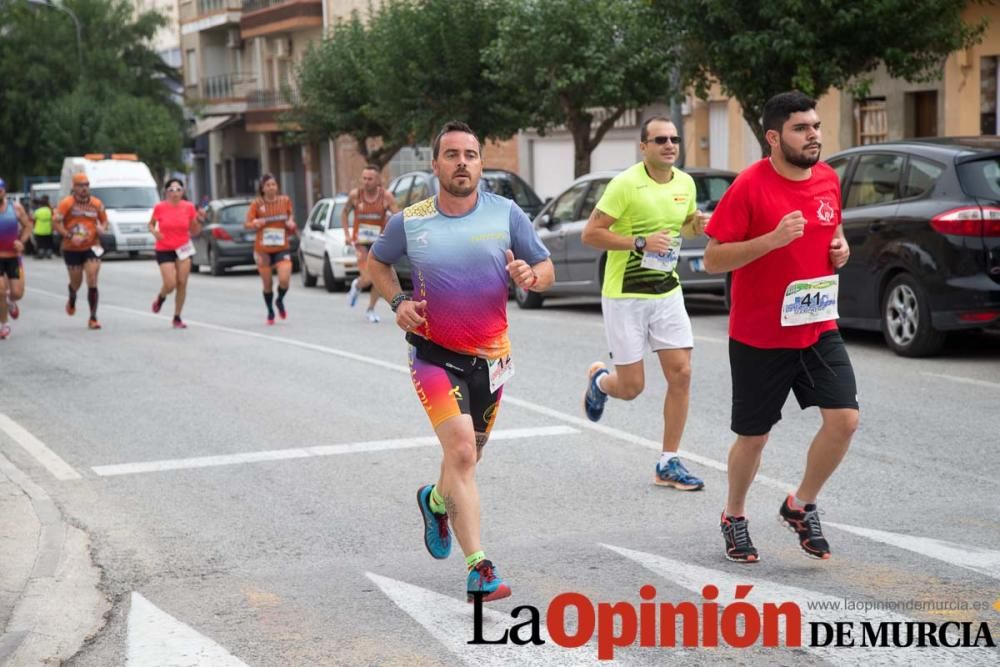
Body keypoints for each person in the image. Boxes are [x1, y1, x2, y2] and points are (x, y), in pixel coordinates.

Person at [368, 121, 554, 603]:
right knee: (463, 453)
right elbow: (377, 263)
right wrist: (397, 303)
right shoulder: (411, 220)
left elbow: (546, 269)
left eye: (470, 154)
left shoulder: (507, 213)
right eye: (452, 155)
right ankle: (480, 569)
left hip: (491, 360)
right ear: (435, 165)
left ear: (481, 163)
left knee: (466, 460)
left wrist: (530, 275)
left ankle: (434, 501)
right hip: (433, 354)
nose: (462, 163)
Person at [703, 91, 858, 563]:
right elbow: (712, 259)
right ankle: (734, 515)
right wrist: (770, 240)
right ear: (773, 137)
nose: (813, 135)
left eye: (814, 126)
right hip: (759, 334)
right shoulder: (750, 186)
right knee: (754, 436)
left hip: (816, 325)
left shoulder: (829, 179)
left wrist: (841, 248)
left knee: (845, 419)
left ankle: (800, 504)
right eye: (800, 128)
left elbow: (833, 231)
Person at [580, 116, 707, 492]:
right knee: (633, 386)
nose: (669, 145)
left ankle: (668, 462)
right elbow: (591, 234)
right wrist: (639, 242)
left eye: (674, 139)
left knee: (681, 373)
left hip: (667, 291)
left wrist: (694, 226)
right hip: (626, 296)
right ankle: (601, 382)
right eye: (660, 140)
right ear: (644, 146)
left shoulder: (685, 183)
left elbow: (681, 226)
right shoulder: (625, 185)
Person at [343, 165, 399, 322]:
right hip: (360, 243)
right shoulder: (355, 195)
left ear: (378, 180)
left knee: (379, 278)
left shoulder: (386, 197)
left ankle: (371, 309)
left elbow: (398, 217)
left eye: (370, 179)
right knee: (368, 277)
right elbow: (344, 213)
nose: (366, 182)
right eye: (364, 178)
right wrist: (347, 234)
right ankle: (357, 285)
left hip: (379, 243)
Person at [53, 172, 108, 330]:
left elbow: (105, 222)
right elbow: (56, 223)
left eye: (86, 185)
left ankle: (93, 318)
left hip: (92, 245)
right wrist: (70, 236)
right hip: (72, 248)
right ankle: (72, 296)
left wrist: (102, 228)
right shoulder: (66, 203)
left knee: (92, 278)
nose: (84, 188)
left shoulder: (97, 203)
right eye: (80, 185)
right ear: (74, 187)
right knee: (76, 283)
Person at [150, 178, 203, 329]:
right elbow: (151, 225)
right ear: (166, 192)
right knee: (170, 283)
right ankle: (161, 297)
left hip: (183, 248)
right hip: (164, 248)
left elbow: (195, 231)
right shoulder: (159, 207)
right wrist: (155, 233)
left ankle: (177, 317)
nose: (175, 193)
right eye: (171, 190)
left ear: (183, 192)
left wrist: (199, 220)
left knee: (182, 283)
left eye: (178, 189)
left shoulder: (189, 207)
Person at [245, 174, 296, 325]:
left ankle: (279, 300)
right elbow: (247, 223)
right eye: (268, 185)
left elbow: (290, 217)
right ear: (262, 188)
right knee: (267, 284)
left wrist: (291, 223)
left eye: (273, 184)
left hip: (281, 247)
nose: (271, 187)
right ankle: (270, 311)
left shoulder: (284, 201)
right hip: (263, 250)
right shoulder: (256, 204)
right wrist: (255, 222)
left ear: (277, 186)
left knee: (284, 279)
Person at [0, 178, 33, 339]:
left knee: (17, 293)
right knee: (0, 290)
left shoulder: (16, 207)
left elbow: (28, 226)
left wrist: (21, 241)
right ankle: (4, 324)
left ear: (4, 191)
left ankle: (11, 302)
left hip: (13, 257)